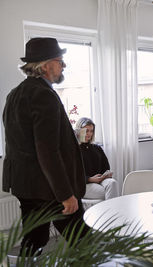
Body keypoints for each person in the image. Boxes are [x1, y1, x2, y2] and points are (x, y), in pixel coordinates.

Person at [2, 37, 89, 255]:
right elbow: (47, 151)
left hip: (25, 186)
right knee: (84, 240)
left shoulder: (14, 95)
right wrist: (65, 194)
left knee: (34, 240)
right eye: (60, 61)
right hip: (48, 189)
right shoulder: (43, 95)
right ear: (46, 65)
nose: (63, 66)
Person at [75, 117, 119, 200]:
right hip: (84, 184)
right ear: (79, 131)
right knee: (109, 192)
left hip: (100, 180)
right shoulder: (74, 150)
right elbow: (73, 175)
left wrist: (105, 175)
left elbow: (106, 167)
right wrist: (90, 179)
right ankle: (112, 212)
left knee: (113, 183)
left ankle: (111, 212)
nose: (89, 134)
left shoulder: (97, 148)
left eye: (91, 131)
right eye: (86, 130)